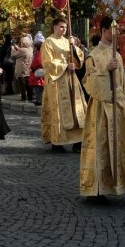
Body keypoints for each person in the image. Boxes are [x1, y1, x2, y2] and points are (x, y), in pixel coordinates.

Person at [79, 16, 125, 203]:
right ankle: (97, 190)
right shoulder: (93, 56)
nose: (117, 32)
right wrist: (105, 71)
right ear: (104, 30)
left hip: (118, 107)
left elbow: (123, 85)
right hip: (101, 110)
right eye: (114, 29)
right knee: (101, 148)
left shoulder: (117, 55)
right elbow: (89, 84)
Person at [40, 17, 86, 152]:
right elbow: (47, 63)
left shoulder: (68, 42)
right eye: (61, 27)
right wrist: (66, 65)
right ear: (54, 27)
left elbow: (80, 59)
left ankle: (77, 142)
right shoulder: (48, 42)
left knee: (77, 110)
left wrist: (74, 47)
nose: (64, 29)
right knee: (59, 111)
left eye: (65, 27)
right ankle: (58, 142)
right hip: (57, 82)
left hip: (71, 80)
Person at [11, 35, 33, 101]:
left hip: (21, 69)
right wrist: (17, 48)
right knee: (28, 84)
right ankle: (30, 97)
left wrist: (12, 49)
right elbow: (21, 53)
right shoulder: (30, 49)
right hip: (27, 68)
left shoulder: (23, 50)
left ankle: (23, 98)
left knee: (22, 84)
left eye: (21, 42)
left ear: (23, 43)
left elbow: (13, 55)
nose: (20, 43)